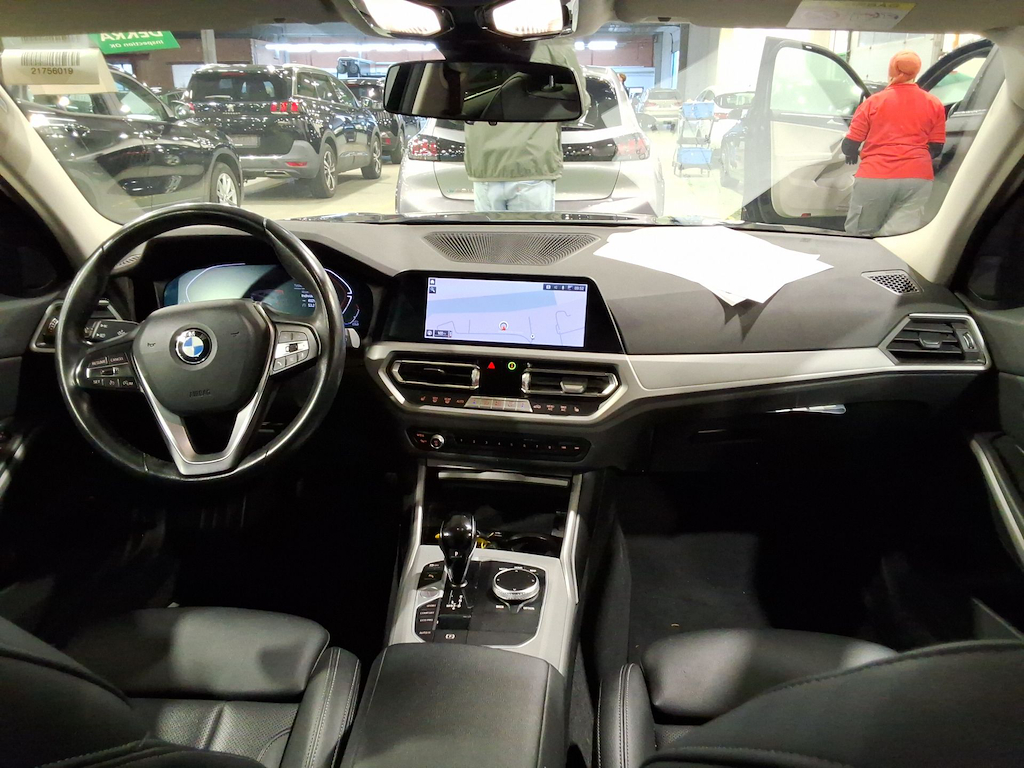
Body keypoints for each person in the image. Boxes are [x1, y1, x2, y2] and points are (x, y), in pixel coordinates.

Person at [464, 39, 588, 213]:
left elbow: (456, 111)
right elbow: (579, 106)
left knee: (489, 231)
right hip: (531, 165)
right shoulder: (555, 45)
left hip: (485, 166)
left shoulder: (471, 43)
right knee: (531, 231)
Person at [843, 50, 946, 236]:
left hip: (875, 175)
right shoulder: (934, 103)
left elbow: (851, 143)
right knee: (898, 236)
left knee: (862, 233)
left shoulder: (873, 102)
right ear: (916, 72)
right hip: (918, 177)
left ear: (891, 71)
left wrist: (850, 154)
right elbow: (937, 147)